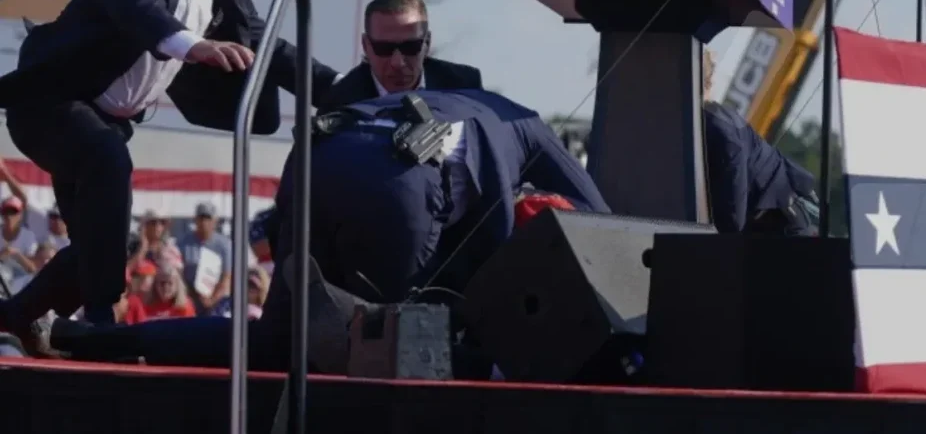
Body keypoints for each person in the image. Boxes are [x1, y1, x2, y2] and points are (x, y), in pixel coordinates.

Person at [39, 88, 609, 372]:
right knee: (404, 352)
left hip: (317, 157)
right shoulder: (522, 135)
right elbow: (601, 220)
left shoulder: (477, 111)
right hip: (397, 183)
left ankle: (97, 340)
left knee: (274, 340)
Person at [0, 0, 338, 344]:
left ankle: (17, 315)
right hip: (50, 104)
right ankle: (101, 325)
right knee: (107, 159)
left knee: (106, 246)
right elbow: (129, 1)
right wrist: (193, 46)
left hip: (107, 121)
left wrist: (336, 88)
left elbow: (258, 39)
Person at [701, 51, 818, 235]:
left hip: (779, 220)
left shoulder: (719, 128)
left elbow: (732, 218)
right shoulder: (707, 122)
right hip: (759, 217)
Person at [317, 0, 482, 111]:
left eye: (410, 47)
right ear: (366, 46)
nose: (398, 63)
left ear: (427, 43)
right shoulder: (340, 103)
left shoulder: (464, 87)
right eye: (384, 48)